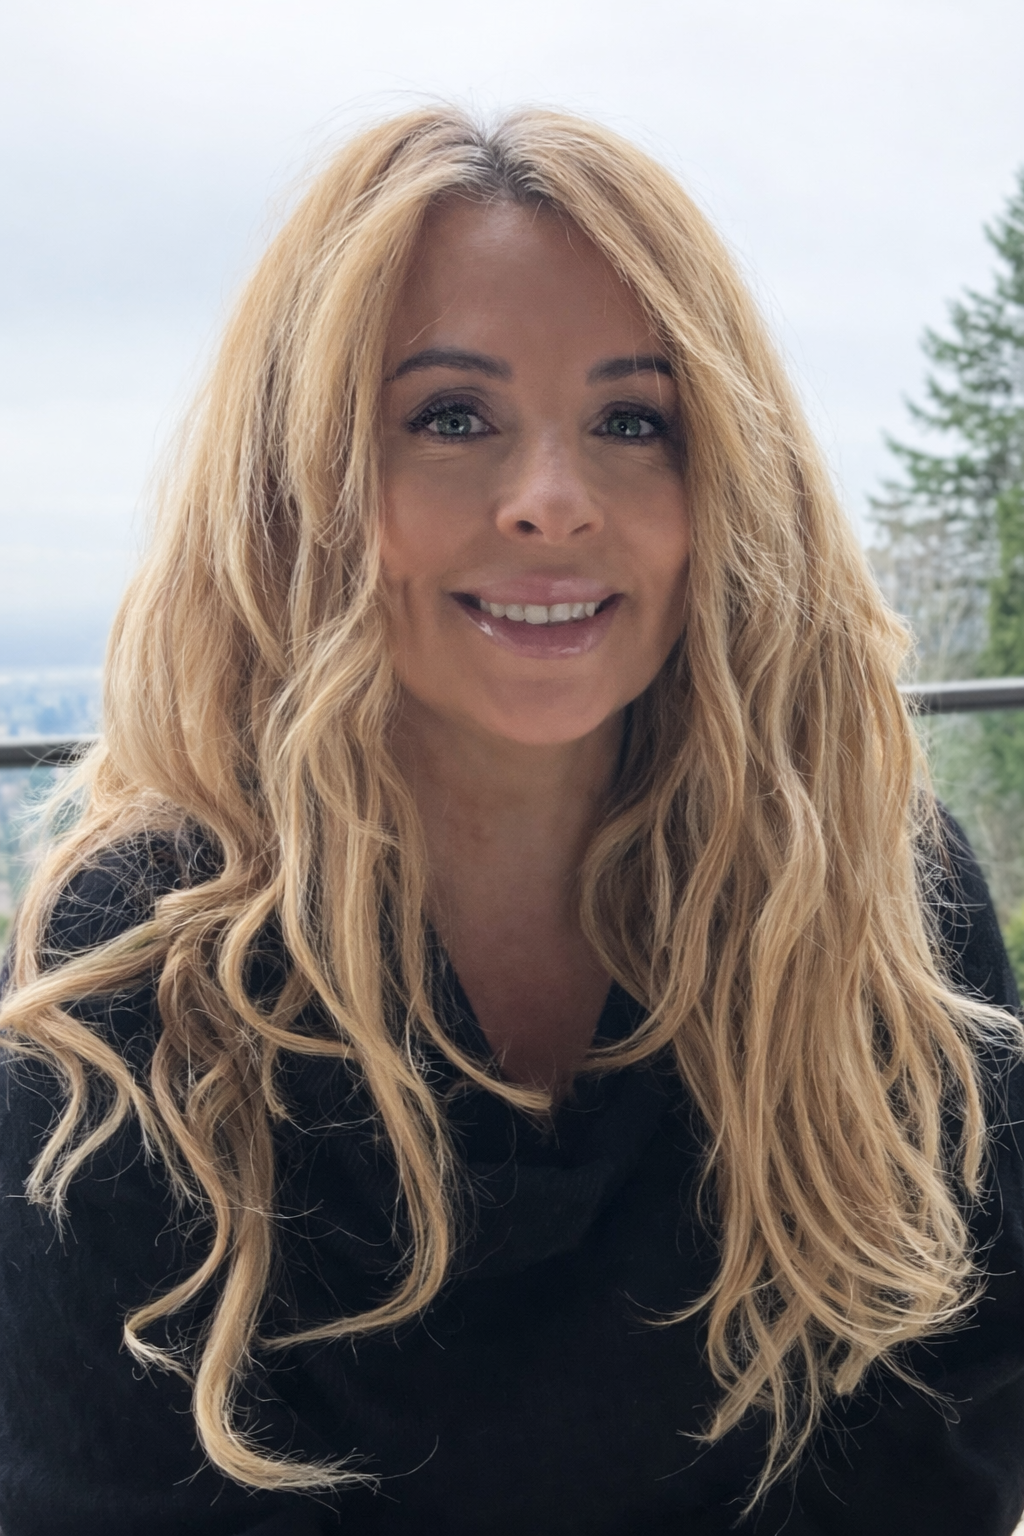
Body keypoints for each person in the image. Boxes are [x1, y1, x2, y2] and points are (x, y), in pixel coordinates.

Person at [1, 106, 1022, 1536]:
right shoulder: (135, 977)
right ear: (305, 485)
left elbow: (940, 1454)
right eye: (452, 417)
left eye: (631, 421)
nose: (552, 501)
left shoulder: (877, 897)